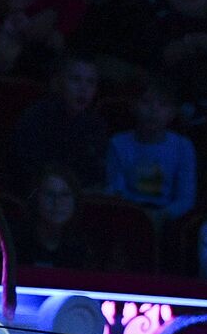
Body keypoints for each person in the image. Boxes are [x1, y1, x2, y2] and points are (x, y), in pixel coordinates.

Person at [105, 76, 196, 222]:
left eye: (163, 104)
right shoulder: (118, 143)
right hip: (128, 212)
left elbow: (185, 198)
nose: (154, 110)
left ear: (172, 113)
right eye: (146, 102)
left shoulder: (183, 146)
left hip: (166, 215)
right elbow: (116, 189)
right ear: (133, 106)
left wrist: (161, 216)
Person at [12, 53, 108, 189]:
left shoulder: (96, 126)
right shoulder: (35, 119)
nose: (83, 89)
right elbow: (27, 170)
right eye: (76, 80)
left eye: (90, 82)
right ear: (57, 82)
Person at [14, 165, 91, 269]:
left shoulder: (82, 248)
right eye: (49, 194)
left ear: (75, 201)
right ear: (36, 199)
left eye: (65, 194)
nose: (57, 202)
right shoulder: (15, 243)